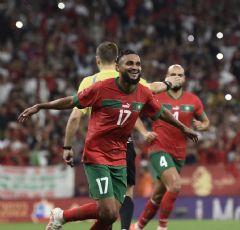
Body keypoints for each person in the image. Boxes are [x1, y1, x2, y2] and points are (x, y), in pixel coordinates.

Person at [18, 50, 199, 230]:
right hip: (97, 154)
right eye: (129, 64)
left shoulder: (143, 92)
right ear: (118, 67)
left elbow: (161, 112)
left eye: (137, 64)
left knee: (111, 215)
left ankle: (61, 216)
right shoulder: (102, 88)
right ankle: (62, 216)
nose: (135, 67)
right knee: (107, 211)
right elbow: (71, 102)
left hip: (119, 156)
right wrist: (40, 106)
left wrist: (183, 127)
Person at [63, 41, 182, 230]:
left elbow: (75, 116)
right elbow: (152, 89)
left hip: (98, 148)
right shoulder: (133, 79)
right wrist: (169, 84)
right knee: (125, 193)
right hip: (123, 144)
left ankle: (63, 217)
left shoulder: (91, 81)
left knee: (105, 203)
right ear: (117, 60)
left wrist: (68, 146)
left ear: (97, 60)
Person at [132, 64, 210, 230]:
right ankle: (162, 227)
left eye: (180, 75)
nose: (176, 77)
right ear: (167, 77)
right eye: (173, 74)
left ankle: (137, 227)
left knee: (158, 196)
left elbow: (206, 121)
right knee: (175, 185)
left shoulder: (193, 100)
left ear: (184, 78)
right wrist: (144, 132)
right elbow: (133, 113)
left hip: (179, 153)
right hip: (158, 149)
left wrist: (202, 126)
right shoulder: (155, 96)